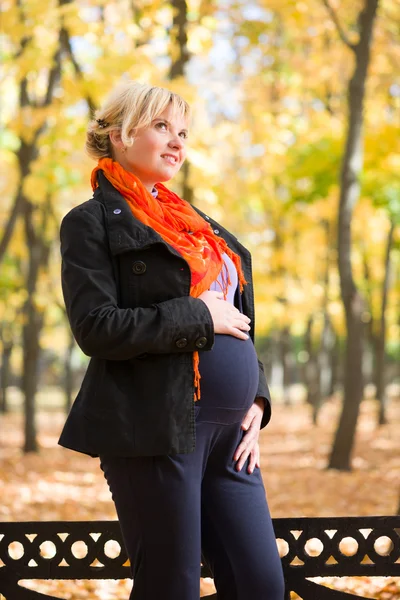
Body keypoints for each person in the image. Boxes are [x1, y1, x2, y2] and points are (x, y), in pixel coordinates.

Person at [58, 80, 285, 600]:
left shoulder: (202, 228)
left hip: (233, 437)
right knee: (172, 587)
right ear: (118, 133)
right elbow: (96, 327)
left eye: (183, 131)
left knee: (260, 586)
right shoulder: (90, 222)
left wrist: (257, 397)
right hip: (154, 426)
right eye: (162, 126)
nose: (177, 142)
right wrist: (197, 316)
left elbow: (238, 318)